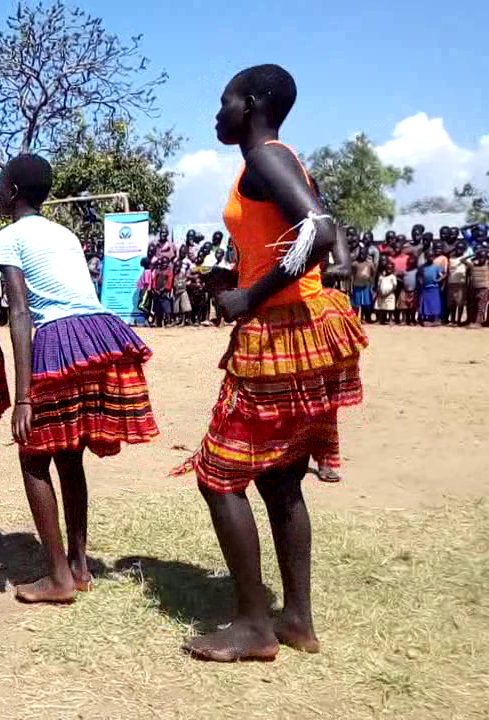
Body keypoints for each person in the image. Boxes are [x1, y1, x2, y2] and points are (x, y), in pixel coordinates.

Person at [175, 65, 367, 663]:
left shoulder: (264, 158)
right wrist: (242, 275)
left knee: (219, 477)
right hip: (303, 322)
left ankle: (255, 626)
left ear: (252, 103)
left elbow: (316, 225)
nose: (217, 112)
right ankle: (297, 619)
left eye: (224, 100)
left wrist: (249, 297)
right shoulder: (271, 161)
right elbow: (317, 230)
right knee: (279, 477)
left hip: (283, 328)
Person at [0, 154, 160, 604]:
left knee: (33, 456)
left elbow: (21, 313)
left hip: (59, 340)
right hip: (97, 335)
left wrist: (24, 397)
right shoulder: (62, 233)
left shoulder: (7, 236)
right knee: (69, 456)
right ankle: (79, 565)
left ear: (11, 192)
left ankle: (58, 578)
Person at [445, 241, 470, 325]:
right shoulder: (451, 258)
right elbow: (448, 271)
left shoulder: (466, 259)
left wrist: (466, 262)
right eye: (458, 248)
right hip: (451, 283)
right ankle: (452, 320)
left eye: (461, 248)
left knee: (460, 303)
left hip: (461, 284)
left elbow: (470, 269)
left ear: (464, 249)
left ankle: (459, 320)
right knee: (452, 303)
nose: (459, 250)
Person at [417, 254, 445, 326]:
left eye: (432, 256)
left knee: (434, 304)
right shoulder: (422, 267)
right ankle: (426, 319)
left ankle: (436, 320)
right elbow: (419, 276)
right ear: (426, 257)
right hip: (425, 288)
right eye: (429, 256)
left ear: (433, 257)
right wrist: (421, 282)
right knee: (425, 304)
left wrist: (438, 280)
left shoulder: (436, 267)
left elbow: (444, 274)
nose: (430, 258)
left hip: (433, 288)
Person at [349, 247, 375, 321]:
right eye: (360, 253)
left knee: (365, 304)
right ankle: (355, 318)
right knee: (356, 304)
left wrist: (371, 283)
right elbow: (352, 275)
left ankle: (364, 318)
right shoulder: (355, 264)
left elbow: (373, 273)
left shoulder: (370, 264)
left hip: (366, 286)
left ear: (367, 254)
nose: (362, 255)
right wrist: (351, 287)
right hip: (356, 285)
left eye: (363, 253)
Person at [374, 259, 398, 325]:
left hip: (389, 294)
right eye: (387, 268)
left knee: (390, 308)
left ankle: (390, 320)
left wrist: (388, 293)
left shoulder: (392, 277)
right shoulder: (381, 277)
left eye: (390, 268)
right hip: (381, 294)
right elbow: (378, 285)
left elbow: (394, 286)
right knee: (381, 308)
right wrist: (379, 292)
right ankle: (380, 320)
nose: (388, 270)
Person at [470, 243, 489, 326]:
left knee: (481, 306)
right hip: (475, 288)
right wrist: (475, 254)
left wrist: (486, 251)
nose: (481, 259)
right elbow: (462, 260)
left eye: (483, 257)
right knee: (474, 305)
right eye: (480, 257)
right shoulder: (473, 265)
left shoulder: (487, 265)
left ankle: (478, 322)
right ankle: (475, 321)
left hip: (484, 288)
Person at [400, 255, 420, 326]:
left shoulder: (417, 271)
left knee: (412, 307)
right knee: (404, 307)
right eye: (409, 263)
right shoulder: (405, 271)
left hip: (413, 291)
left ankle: (412, 319)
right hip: (404, 290)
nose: (410, 264)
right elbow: (398, 275)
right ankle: (404, 319)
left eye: (412, 263)